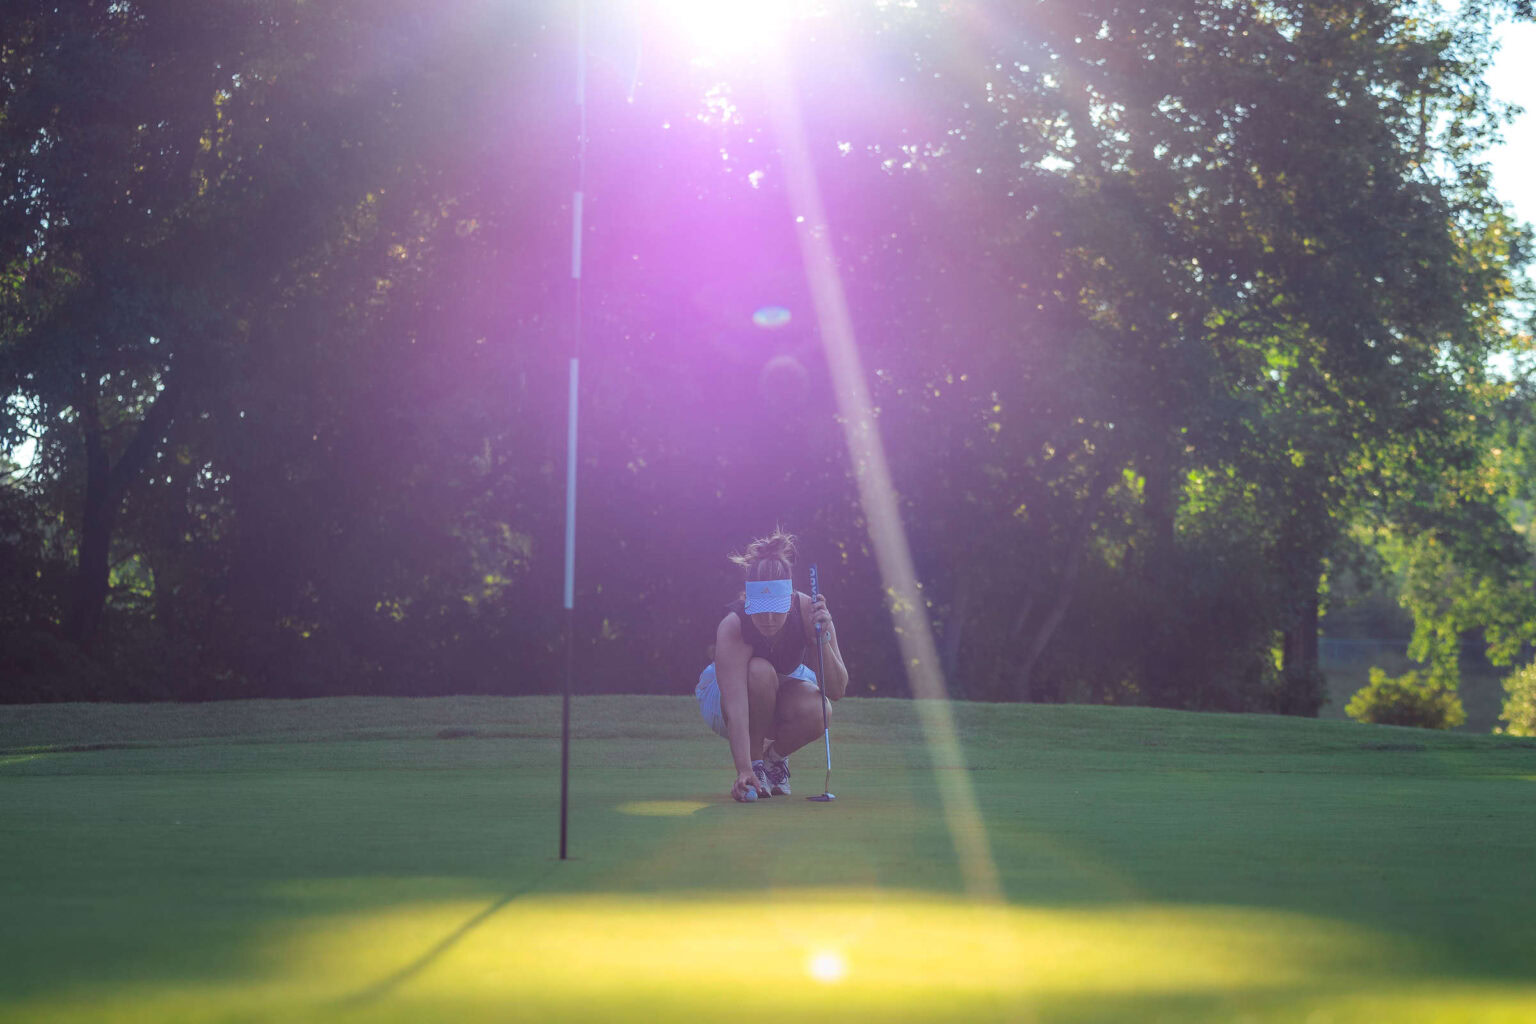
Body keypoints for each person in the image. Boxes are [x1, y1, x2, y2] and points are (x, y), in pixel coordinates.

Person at [695, 528, 849, 802]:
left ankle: (773, 761)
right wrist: (743, 768)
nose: (767, 618)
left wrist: (821, 638)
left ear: (790, 601)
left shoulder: (810, 612)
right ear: (746, 599)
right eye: (759, 608)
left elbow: (837, 690)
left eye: (775, 608)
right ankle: (756, 766)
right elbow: (736, 706)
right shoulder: (733, 626)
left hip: (783, 684)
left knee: (821, 710)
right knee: (760, 671)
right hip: (722, 696)